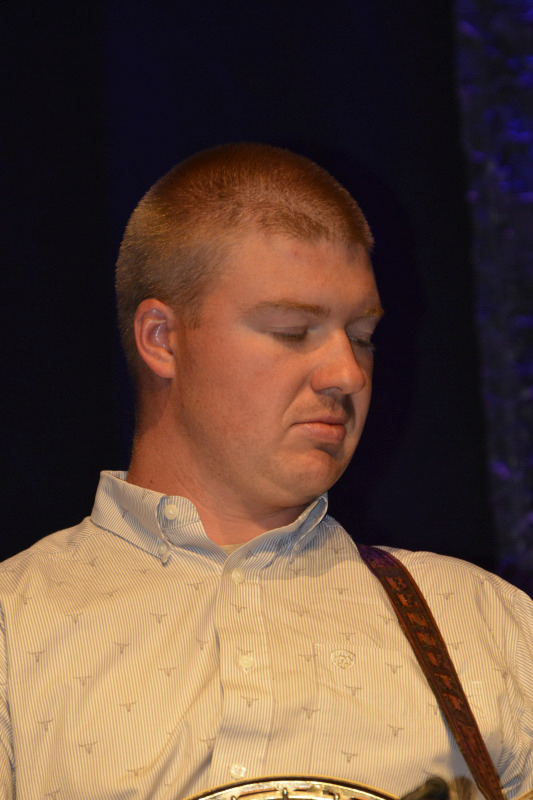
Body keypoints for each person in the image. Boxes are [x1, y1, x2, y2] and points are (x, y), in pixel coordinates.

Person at [1, 143, 532, 800]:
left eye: (361, 335)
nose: (347, 374)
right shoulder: (12, 626)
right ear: (162, 339)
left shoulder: (487, 625)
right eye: (291, 329)